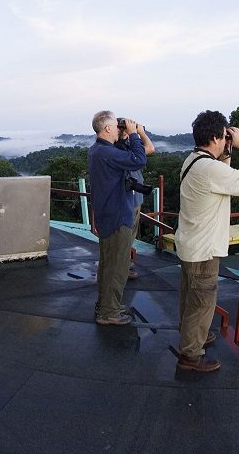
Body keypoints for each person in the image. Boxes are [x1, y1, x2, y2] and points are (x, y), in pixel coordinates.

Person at [175, 110, 239, 371]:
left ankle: (194, 335)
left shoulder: (193, 160)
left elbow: (221, 174)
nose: (226, 140)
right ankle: (191, 355)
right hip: (204, 249)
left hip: (191, 243)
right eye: (223, 136)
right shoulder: (209, 169)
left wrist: (228, 150)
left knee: (191, 297)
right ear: (214, 137)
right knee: (202, 301)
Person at [87, 110, 147, 325]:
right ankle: (109, 312)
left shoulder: (99, 150)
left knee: (108, 264)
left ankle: (106, 304)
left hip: (107, 214)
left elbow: (125, 156)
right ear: (108, 128)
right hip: (117, 215)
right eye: (117, 125)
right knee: (118, 265)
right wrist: (133, 134)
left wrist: (125, 137)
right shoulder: (106, 153)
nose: (120, 127)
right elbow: (139, 159)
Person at [115, 124, 155, 279]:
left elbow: (150, 149)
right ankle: (121, 269)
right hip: (126, 199)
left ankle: (123, 263)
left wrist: (138, 133)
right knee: (124, 236)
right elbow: (149, 150)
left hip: (135, 197)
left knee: (129, 235)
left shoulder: (127, 147)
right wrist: (137, 133)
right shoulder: (117, 150)